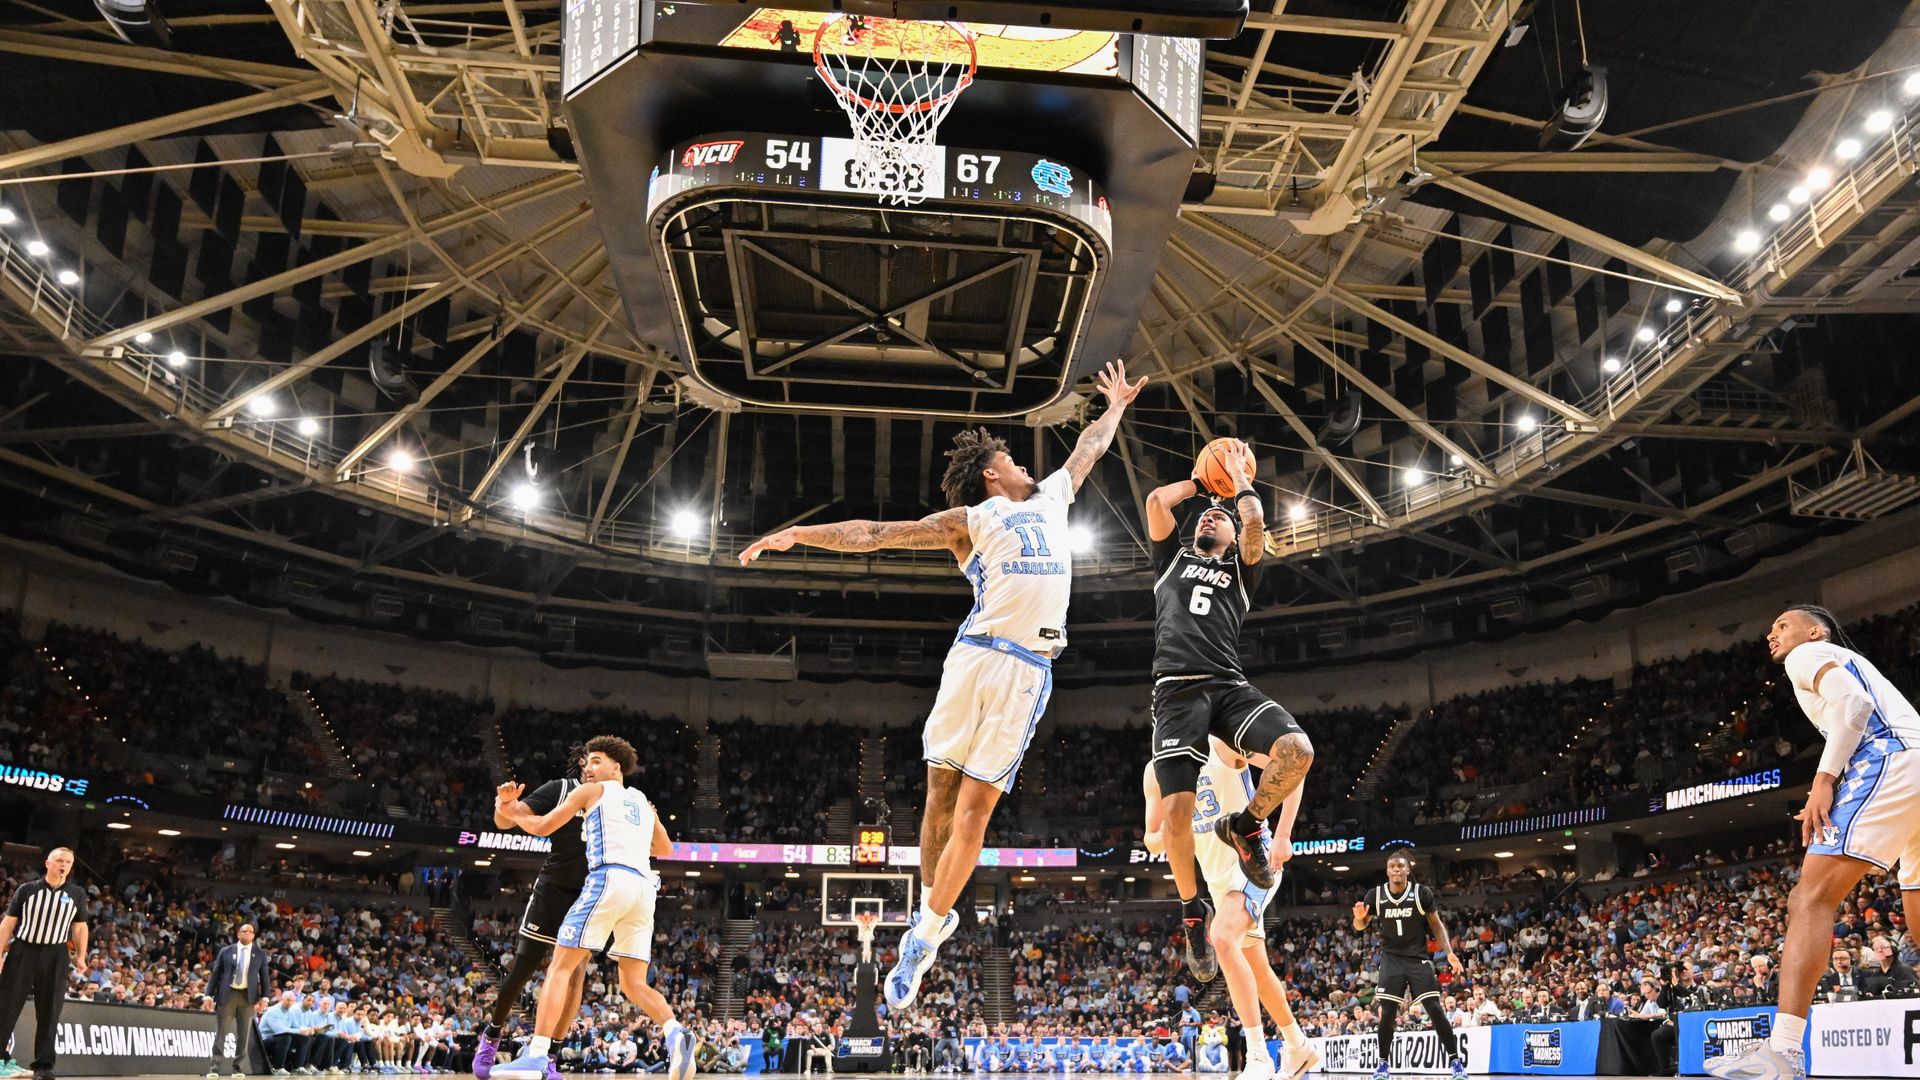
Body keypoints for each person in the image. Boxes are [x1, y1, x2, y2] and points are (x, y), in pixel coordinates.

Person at [739, 359, 1146, 1010]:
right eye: (1012, 457)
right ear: (992, 473)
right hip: (973, 657)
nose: (1022, 463)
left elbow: (1088, 449)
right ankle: (937, 911)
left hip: (1026, 671)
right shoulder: (968, 521)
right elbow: (874, 535)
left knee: (975, 811)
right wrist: (799, 536)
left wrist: (1116, 409)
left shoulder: (1051, 497)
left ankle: (925, 935)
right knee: (937, 799)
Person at [1709, 605, 1920, 1080]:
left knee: (1809, 898)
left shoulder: (1808, 654)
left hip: (1889, 758)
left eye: (1782, 623)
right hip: (1914, 762)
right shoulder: (1851, 662)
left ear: (1815, 630)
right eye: (1770, 626)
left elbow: (1854, 707)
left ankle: (1784, 1051)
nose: (1772, 633)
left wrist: (1823, 780)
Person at [1141, 444, 1313, 980]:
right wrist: (1198, 481)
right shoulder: (1171, 559)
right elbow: (1154, 503)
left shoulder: (1242, 570)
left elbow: (1255, 516)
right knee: (1176, 816)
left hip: (1227, 684)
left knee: (1297, 751)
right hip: (1176, 691)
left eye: (1221, 517)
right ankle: (1193, 912)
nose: (1211, 516)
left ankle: (1246, 825)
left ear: (1235, 537)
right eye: (1206, 516)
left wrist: (1238, 481)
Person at [493, 736, 695, 1080]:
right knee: (633, 984)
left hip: (609, 879)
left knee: (561, 965)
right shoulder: (641, 801)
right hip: (644, 890)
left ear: (616, 767)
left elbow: (542, 827)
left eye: (597, 760)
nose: (588, 767)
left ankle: (538, 1055)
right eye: (586, 762)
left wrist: (511, 811)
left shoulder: (591, 792)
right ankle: (677, 1032)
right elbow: (665, 847)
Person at [1143, 739, 1318, 1080]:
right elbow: (1150, 839)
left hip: (1254, 861)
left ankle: (1258, 1056)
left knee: (1221, 936)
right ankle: (1299, 1046)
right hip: (1218, 881)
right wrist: (1170, 826)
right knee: (1258, 969)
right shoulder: (1155, 770)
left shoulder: (1223, 744)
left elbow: (1293, 766)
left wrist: (1283, 834)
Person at [475, 748, 595, 1079]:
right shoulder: (561, 789)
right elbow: (504, 821)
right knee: (523, 969)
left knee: (575, 974)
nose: (597, 766)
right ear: (583, 762)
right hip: (553, 890)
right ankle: (492, 1036)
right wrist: (504, 803)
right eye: (593, 759)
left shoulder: (611, 799)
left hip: (589, 895)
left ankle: (550, 1057)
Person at [1352, 851, 1467, 1080]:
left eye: (1400, 866)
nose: (1396, 870)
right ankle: (1383, 1065)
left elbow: (1436, 925)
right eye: (1392, 866)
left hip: (1418, 958)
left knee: (1434, 1008)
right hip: (1391, 959)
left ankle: (1456, 1062)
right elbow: (1360, 925)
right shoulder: (1375, 895)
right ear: (1387, 871)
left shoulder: (1421, 893)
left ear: (1407, 870)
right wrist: (1357, 918)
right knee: (1387, 1014)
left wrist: (1450, 953)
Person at [0, 847, 89, 1080]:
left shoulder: (77, 893)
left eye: (68, 862)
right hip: (23, 950)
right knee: (6, 1004)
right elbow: (7, 924)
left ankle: (43, 1067)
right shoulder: (27, 889)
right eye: (60, 860)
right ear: (48, 862)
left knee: (50, 1010)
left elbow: (80, 927)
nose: (64, 865)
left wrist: (81, 955)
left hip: (56, 954)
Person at [207, 922, 271, 1077]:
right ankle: (214, 1068)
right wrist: (208, 995)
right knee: (221, 1032)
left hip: (247, 997)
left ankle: (238, 1068)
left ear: (253, 936)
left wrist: (265, 998)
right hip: (227, 994)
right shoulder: (226, 951)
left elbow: (265, 977)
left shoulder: (260, 953)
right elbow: (216, 974)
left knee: (243, 1034)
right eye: (244, 931)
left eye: (250, 932)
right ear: (238, 934)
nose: (247, 934)